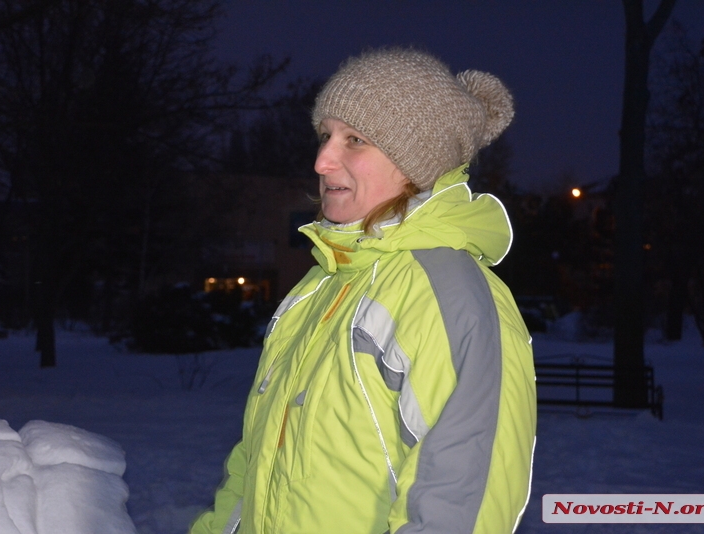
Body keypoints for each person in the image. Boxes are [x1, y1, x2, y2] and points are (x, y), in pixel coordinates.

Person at [190, 47, 536, 534]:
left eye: (354, 139)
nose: (322, 160)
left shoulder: (445, 295)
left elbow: (460, 506)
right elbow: (253, 465)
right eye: (325, 136)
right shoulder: (322, 284)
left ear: (416, 162)